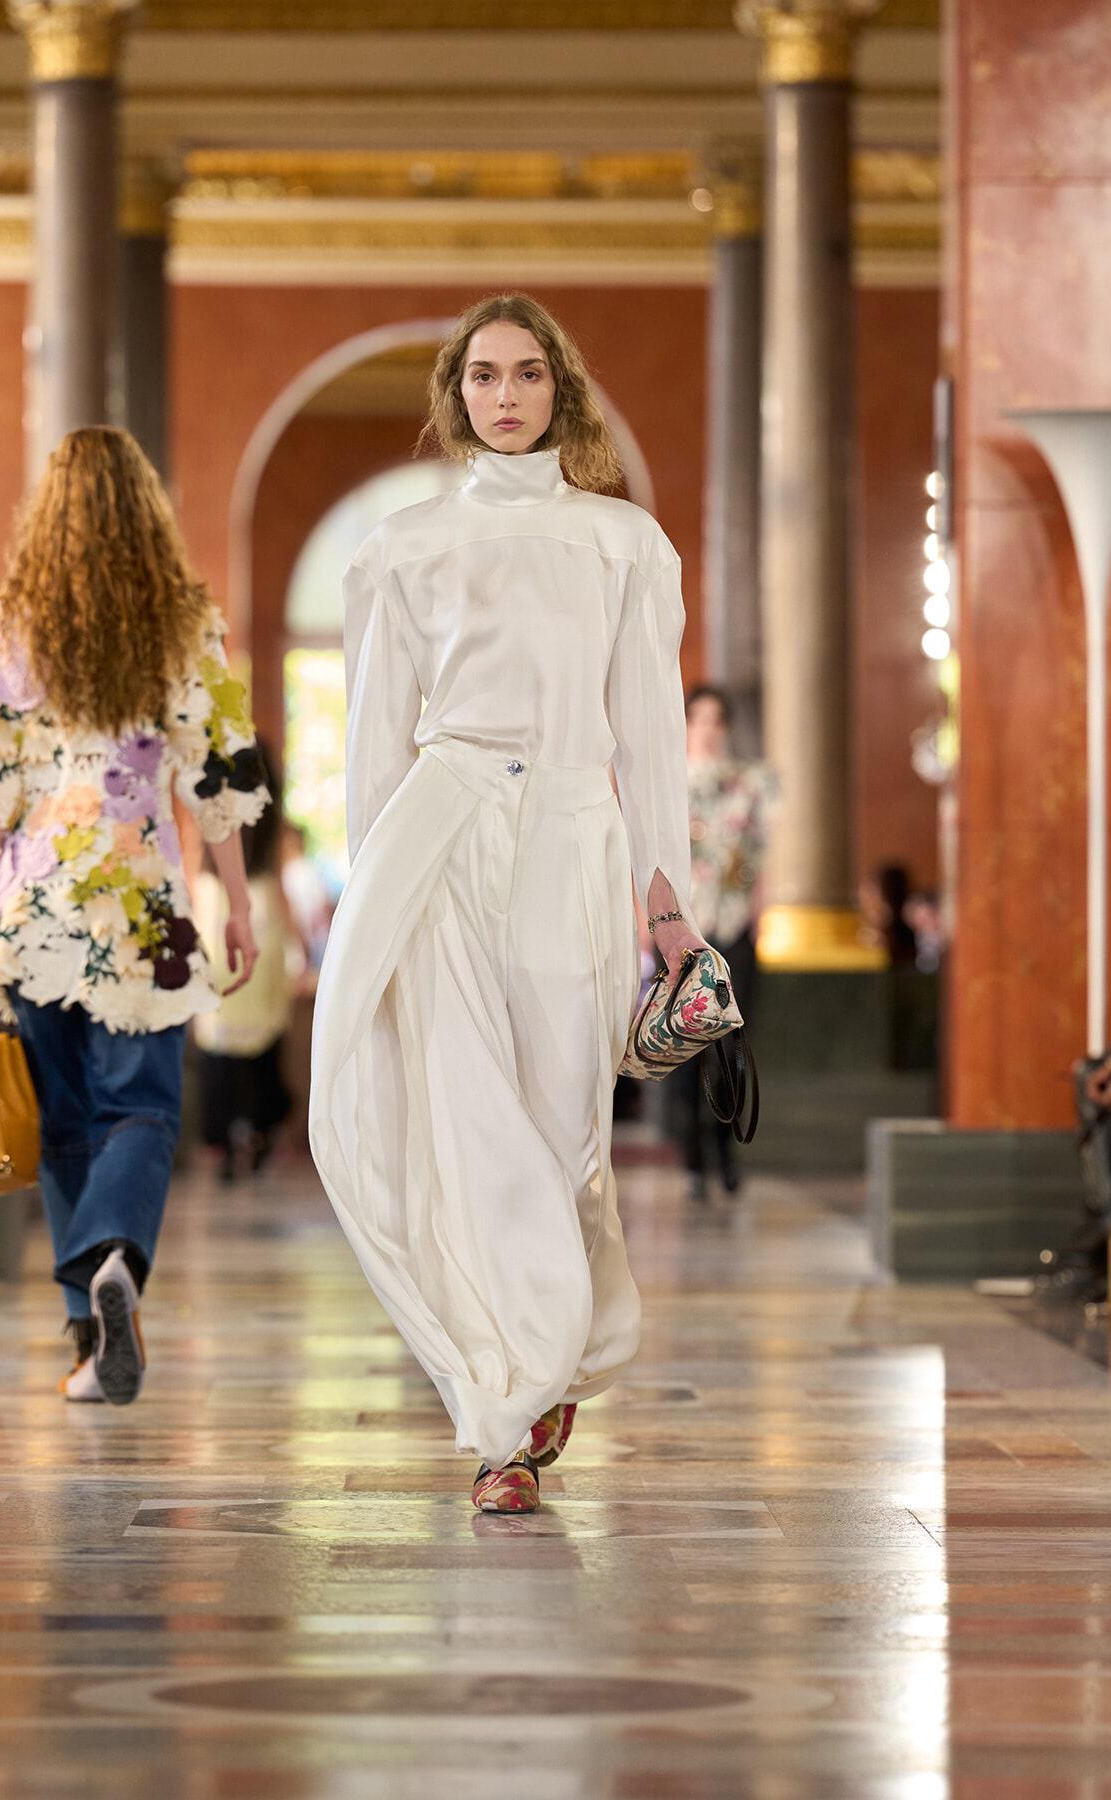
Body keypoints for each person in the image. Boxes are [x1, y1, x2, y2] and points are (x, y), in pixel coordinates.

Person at [308, 293, 706, 1514]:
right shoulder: (403, 550)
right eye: (483, 375)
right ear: (456, 395)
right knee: (464, 1126)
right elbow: (376, 742)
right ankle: (502, 1419)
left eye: (528, 374)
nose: (505, 396)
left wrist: (670, 902)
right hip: (442, 829)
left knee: (566, 1128)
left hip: (578, 837)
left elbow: (650, 731)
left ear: (560, 391)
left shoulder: (625, 544)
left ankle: (554, 1343)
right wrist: (360, 894)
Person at [0, 427, 267, 1407]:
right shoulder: (181, 623)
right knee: (143, 1111)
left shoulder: (3, 623)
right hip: (143, 912)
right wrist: (238, 903)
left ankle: (89, 1328)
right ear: (143, 512)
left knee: (64, 1122)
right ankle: (117, 1258)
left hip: (32, 908)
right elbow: (222, 775)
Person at [671, 684, 775, 1200]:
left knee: (732, 1045)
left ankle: (726, 1153)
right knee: (685, 1045)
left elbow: (759, 854)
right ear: (687, 723)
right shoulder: (666, 781)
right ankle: (692, 1161)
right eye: (700, 719)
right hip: (684, 932)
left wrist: (761, 911)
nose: (708, 730)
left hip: (734, 927)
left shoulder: (748, 783)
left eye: (717, 720)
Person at [192, 746, 298, 1181]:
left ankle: (219, 1139)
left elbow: (196, 892)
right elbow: (287, 894)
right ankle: (258, 1133)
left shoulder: (208, 830)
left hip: (219, 940)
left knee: (219, 1051)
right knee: (263, 1050)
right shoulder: (278, 833)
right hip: (264, 935)